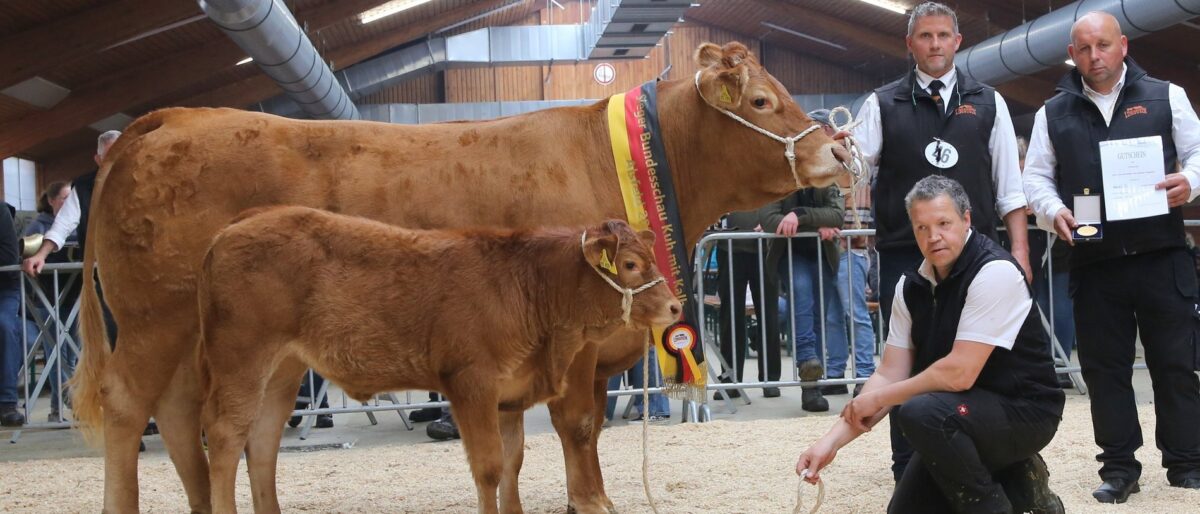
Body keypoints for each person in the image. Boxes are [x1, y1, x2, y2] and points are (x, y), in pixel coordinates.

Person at [796, 176, 1065, 514]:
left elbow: (959, 374)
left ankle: (999, 501)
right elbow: (890, 373)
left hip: (1025, 411)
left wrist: (879, 398)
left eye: (943, 223)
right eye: (921, 227)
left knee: (921, 412)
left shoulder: (994, 271)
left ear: (967, 220)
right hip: (958, 414)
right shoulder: (910, 287)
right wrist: (829, 442)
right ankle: (1018, 479)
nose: (933, 236)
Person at [1022, 11, 1200, 502]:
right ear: (1072, 54)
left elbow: (1199, 151)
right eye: (1083, 49)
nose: (1093, 56)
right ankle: (1119, 468)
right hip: (1095, 260)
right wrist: (1052, 209)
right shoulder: (1052, 112)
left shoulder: (1167, 95)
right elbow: (1034, 178)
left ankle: (1187, 464)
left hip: (1162, 254)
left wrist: (1192, 181)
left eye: (1102, 45)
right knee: (1105, 370)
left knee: (1175, 363)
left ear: (1122, 45)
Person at [850, 1, 1030, 481]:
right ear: (909, 44)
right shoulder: (881, 103)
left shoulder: (989, 101)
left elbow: (1009, 184)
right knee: (906, 359)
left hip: (975, 257)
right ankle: (907, 468)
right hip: (903, 252)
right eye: (924, 36)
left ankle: (976, 457)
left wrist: (1020, 250)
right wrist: (831, 146)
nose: (934, 44)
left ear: (957, 41)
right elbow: (854, 167)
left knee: (972, 357)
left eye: (942, 36)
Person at [806, 109, 878, 399]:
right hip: (833, 247)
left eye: (813, 129)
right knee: (834, 314)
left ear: (825, 128)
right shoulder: (826, 156)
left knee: (854, 313)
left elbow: (855, 181)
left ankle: (864, 373)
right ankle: (836, 373)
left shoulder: (850, 152)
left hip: (851, 244)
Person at [766, 166, 844, 412]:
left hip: (824, 255)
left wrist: (798, 216)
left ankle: (812, 389)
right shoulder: (777, 176)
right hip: (790, 254)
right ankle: (807, 362)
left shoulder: (826, 177)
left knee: (818, 315)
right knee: (802, 298)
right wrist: (816, 222)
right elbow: (768, 219)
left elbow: (836, 215)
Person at [22, 181, 79, 422]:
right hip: (48, 296)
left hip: (75, 293)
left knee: (74, 353)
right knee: (56, 353)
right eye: (64, 198)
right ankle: (60, 406)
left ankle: (73, 404)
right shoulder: (39, 226)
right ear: (52, 200)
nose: (67, 203)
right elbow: (27, 249)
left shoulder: (77, 223)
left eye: (70, 198)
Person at [714, 207, 784, 399]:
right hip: (728, 248)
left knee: (769, 315)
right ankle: (730, 379)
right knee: (729, 317)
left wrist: (771, 221)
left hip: (765, 248)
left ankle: (770, 379)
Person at [0, 202, 23, 427]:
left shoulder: (1, 211)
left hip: (4, 288)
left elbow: (8, 255)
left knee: (5, 325)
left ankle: (7, 402)